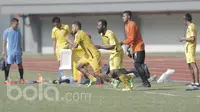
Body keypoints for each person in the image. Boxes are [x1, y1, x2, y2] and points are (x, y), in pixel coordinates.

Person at [65, 21, 119, 88]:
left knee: (97, 73)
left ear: (76, 27)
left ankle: (113, 81)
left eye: (72, 27)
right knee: (78, 66)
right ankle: (91, 78)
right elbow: (89, 36)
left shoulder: (79, 34)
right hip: (87, 55)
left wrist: (68, 40)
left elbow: (75, 46)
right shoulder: (81, 33)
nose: (72, 29)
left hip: (93, 54)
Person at [96, 19, 133, 91]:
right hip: (112, 53)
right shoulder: (102, 34)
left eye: (99, 25)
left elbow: (112, 46)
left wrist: (100, 46)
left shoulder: (109, 33)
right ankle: (129, 77)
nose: (97, 27)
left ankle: (128, 86)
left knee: (116, 70)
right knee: (112, 72)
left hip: (117, 52)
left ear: (103, 26)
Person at [120, 10, 151, 87]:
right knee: (138, 65)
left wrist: (122, 42)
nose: (122, 18)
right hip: (134, 48)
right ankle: (145, 78)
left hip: (139, 47)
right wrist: (128, 48)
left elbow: (132, 38)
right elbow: (130, 39)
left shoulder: (132, 24)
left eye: (124, 16)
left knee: (137, 64)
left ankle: (146, 82)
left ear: (129, 16)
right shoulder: (126, 26)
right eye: (122, 16)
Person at [51, 17, 84, 81]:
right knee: (61, 63)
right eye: (55, 25)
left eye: (57, 25)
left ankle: (71, 76)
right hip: (58, 49)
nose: (56, 26)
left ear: (60, 22)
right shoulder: (54, 30)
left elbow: (71, 34)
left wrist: (74, 41)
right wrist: (54, 50)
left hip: (66, 47)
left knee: (69, 62)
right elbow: (54, 40)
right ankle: (61, 76)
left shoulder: (66, 27)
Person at [179, 13, 199, 87]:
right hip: (188, 49)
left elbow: (192, 38)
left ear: (185, 19)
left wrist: (183, 38)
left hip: (191, 49)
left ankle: (197, 83)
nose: (183, 22)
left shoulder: (191, 26)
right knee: (189, 66)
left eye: (183, 20)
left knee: (193, 65)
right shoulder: (189, 27)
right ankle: (193, 82)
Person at [2, 18, 25, 84]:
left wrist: (20, 49)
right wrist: (3, 51)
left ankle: (21, 78)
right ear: (12, 23)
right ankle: (6, 79)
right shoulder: (7, 31)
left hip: (17, 51)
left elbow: (19, 41)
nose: (17, 25)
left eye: (17, 24)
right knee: (8, 65)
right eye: (16, 24)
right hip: (10, 52)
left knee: (20, 65)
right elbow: (4, 41)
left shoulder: (18, 31)